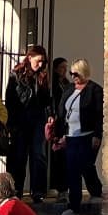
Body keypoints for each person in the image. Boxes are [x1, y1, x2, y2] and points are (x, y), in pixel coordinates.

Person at [49, 59, 103, 215]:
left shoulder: (95, 90)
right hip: (70, 135)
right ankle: (74, 205)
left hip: (86, 135)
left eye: (76, 74)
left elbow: (99, 114)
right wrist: (59, 134)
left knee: (85, 166)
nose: (73, 77)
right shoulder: (69, 89)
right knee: (73, 169)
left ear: (83, 73)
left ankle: (95, 193)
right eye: (71, 74)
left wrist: (97, 135)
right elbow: (61, 111)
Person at [3, 46, 52, 202]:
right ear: (30, 58)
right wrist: (11, 123)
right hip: (21, 120)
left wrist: (50, 115)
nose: (40, 64)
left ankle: (38, 191)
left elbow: (46, 99)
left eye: (43, 62)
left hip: (38, 120)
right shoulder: (16, 75)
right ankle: (16, 190)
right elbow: (10, 99)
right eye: (38, 61)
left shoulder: (43, 76)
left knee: (38, 155)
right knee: (19, 155)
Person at [45, 58, 71, 197]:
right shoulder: (52, 84)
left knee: (63, 156)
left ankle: (63, 187)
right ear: (55, 68)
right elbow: (51, 102)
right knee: (54, 155)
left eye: (65, 67)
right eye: (62, 67)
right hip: (56, 122)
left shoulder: (66, 84)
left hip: (65, 123)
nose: (64, 70)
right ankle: (53, 185)